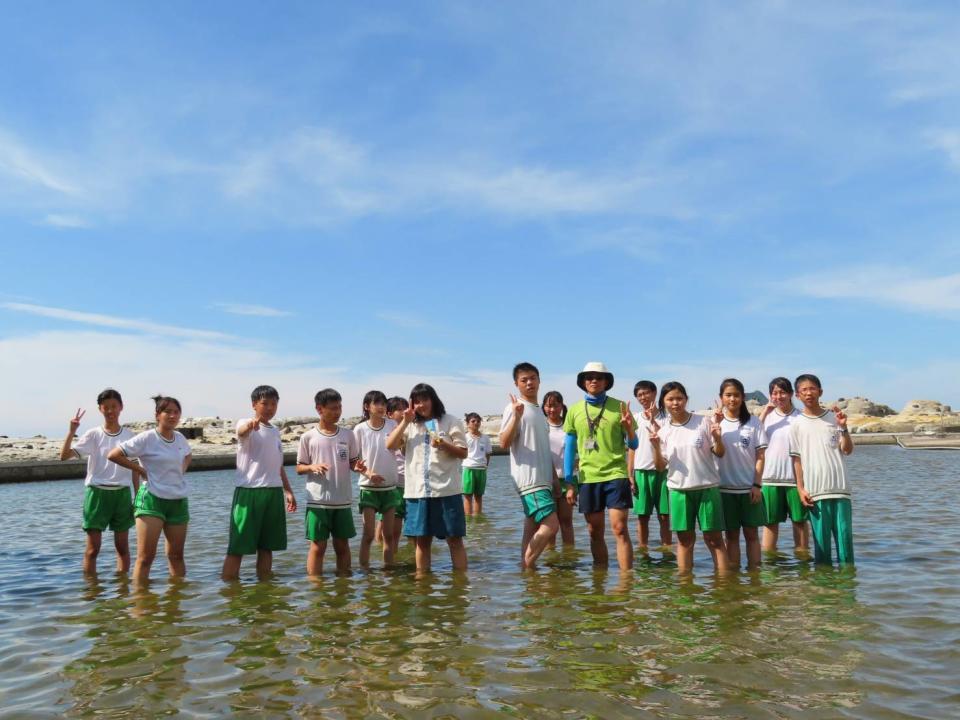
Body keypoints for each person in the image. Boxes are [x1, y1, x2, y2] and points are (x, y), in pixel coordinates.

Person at [107, 395, 193, 583]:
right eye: (167, 412)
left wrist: (182, 470)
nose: (172, 416)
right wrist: (139, 470)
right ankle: (140, 606)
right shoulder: (147, 438)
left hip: (178, 500)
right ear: (157, 415)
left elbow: (188, 455)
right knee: (146, 557)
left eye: (176, 412)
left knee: (176, 556)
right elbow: (114, 455)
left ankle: (176, 604)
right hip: (152, 499)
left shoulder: (179, 438)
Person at [386, 383, 468, 574]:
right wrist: (405, 422)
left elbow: (463, 453)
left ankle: (461, 587)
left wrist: (444, 445)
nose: (421, 405)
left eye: (425, 400)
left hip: (447, 489)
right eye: (417, 401)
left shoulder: (450, 421)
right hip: (417, 491)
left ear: (433, 399)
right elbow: (390, 445)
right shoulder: (409, 425)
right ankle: (423, 586)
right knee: (421, 542)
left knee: (454, 540)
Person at [563, 362, 637, 570]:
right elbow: (569, 448)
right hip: (588, 478)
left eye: (598, 377)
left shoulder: (620, 407)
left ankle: (625, 581)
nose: (593, 380)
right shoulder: (575, 410)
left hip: (616, 474)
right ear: (583, 382)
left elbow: (634, 444)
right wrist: (569, 482)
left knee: (620, 528)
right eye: (589, 377)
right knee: (594, 531)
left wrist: (630, 429)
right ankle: (599, 579)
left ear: (606, 381)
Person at [650, 382, 730, 574]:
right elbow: (660, 466)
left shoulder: (703, 422)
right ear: (663, 402)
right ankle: (685, 588)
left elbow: (719, 453)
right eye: (670, 399)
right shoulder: (663, 430)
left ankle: (724, 585)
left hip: (707, 488)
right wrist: (654, 446)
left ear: (686, 399)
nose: (675, 403)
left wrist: (718, 438)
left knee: (714, 539)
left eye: (679, 398)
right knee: (684, 540)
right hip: (679, 491)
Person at [221, 385, 297, 581]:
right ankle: (230, 590)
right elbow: (241, 431)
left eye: (274, 404)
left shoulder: (275, 431)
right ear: (254, 404)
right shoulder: (247, 423)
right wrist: (250, 426)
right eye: (265, 403)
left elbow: (278, 465)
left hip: (273, 492)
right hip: (249, 492)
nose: (270, 408)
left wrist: (288, 490)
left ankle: (265, 589)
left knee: (267, 547)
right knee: (237, 547)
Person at [59, 388, 136, 574]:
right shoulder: (93, 434)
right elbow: (64, 456)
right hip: (97, 493)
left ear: (121, 407)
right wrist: (71, 431)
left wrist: (138, 494)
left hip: (122, 494)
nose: (110, 411)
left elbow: (135, 469)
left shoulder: (129, 436)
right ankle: (91, 593)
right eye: (106, 407)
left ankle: (122, 591)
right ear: (100, 409)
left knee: (123, 548)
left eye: (114, 406)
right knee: (93, 550)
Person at [296, 388, 366, 575]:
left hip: (342, 500)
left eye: (340, 407)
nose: (338, 412)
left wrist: (357, 467)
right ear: (320, 409)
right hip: (318, 501)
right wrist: (312, 467)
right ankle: (316, 588)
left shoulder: (348, 435)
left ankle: (345, 585)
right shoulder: (308, 437)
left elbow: (352, 462)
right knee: (318, 547)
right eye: (333, 408)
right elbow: (299, 467)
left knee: (342, 546)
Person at [499, 362, 560, 569]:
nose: (529, 383)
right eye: (524, 380)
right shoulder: (514, 408)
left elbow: (544, 450)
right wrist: (516, 416)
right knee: (552, 525)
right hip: (530, 481)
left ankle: (528, 578)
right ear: (516, 384)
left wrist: (555, 480)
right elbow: (504, 443)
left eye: (532, 378)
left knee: (530, 529)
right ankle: (527, 566)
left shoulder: (539, 412)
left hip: (543, 481)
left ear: (539, 380)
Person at [790, 374, 855, 565]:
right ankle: (822, 592)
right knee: (822, 550)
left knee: (845, 546)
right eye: (804, 390)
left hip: (841, 489)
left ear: (820, 391)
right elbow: (796, 460)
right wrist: (800, 489)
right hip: (815, 492)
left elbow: (847, 450)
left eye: (812, 388)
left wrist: (843, 428)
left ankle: (847, 589)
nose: (809, 393)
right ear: (797, 395)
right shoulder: (796, 425)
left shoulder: (834, 419)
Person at [716, 378, 767, 570]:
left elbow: (761, 456)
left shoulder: (753, 422)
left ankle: (755, 575)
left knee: (752, 534)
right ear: (721, 398)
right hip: (724, 489)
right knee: (731, 536)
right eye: (728, 395)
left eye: (736, 395)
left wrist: (757, 485)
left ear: (743, 397)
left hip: (748, 489)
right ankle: (734, 577)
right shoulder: (715, 422)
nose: (732, 399)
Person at [758, 377, 809, 553]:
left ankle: (803, 559)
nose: (778, 396)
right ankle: (769, 564)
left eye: (782, 392)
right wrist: (765, 412)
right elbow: (754, 438)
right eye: (774, 393)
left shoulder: (801, 417)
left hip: (796, 481)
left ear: (790, 394)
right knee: (770, 522)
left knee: (800, 521)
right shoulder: (767, 418)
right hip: (770, 479)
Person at [353, 390, 401, 568]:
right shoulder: (359, 429)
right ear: (367, 407)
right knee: (368, 535)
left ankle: (389, 572)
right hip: (368, 488)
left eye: (383, 403)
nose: (381, 407)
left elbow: (399, 446)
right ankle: (364, 572)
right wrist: (368, 473)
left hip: (389, 488)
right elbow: (354, 461)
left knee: (388, 535)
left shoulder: (392, 425)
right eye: (377, 403)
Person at [627, 380, 672, 555]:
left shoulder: (667, 418)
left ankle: (667, 549)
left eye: (646, 393)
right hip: (641, 472)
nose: (643, 397)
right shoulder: (636, 419)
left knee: (664, 516)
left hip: (664, 472)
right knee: (642, 516)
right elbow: (631, 448)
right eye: (639, 395)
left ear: (655, 393)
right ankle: (642, 549)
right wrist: (629, 474)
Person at [543, 390, 575, 547]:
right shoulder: (541, 427)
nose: (552, 409)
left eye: (555, 405)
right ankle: (552, 559)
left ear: (562, 406)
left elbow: (578, 452)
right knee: (550, 523)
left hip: (567, 479)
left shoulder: (568, 425)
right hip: (546, 480)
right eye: (548, 406)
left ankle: (570, 558)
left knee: (566, 521)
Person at [378, 396, 409, 554]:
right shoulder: (386, 431)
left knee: (411, 532)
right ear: (389, 414)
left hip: (410, 486)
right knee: (391, 531)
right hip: (393, 485)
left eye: (406, 407)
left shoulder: (411, 429)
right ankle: (386, 557)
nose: (404, 412)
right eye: (400, 409)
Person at [462, 412, 492, 516]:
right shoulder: (464, 437)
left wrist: (485, 466)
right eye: (473, 421)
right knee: (467, 495)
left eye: (478, 421)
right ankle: (468, 519)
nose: (476, 423)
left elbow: (488, 454)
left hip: (481, 469)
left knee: (479, 496)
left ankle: (478, 518)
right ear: (467, 423)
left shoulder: (485, 438)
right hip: (468, 468)